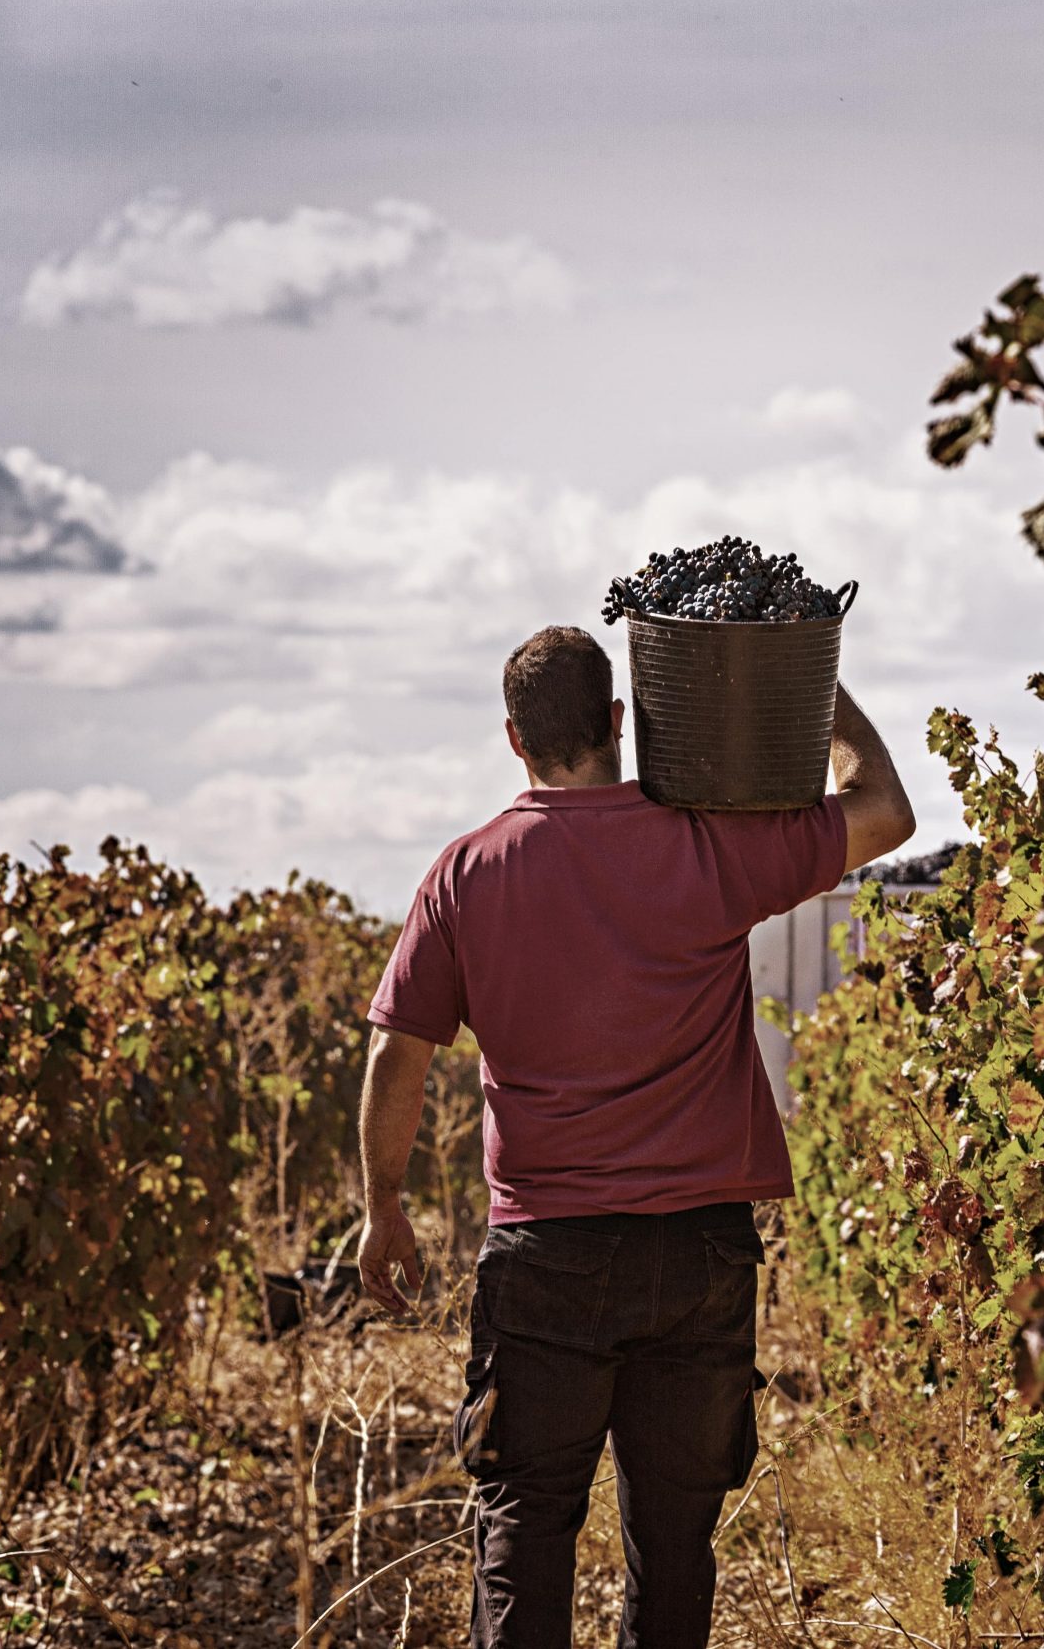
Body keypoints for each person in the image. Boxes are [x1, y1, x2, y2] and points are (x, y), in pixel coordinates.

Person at [353, 623, 914, 1649]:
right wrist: (812, 687)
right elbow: (883, 810)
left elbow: (399, 1053)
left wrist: (383, 1208)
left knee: (523, 1524)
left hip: (547, 1257)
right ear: (619, 722)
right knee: (674, 1540)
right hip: (699, 1252)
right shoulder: (707, 846)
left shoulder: (465, 873)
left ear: (514, 742)